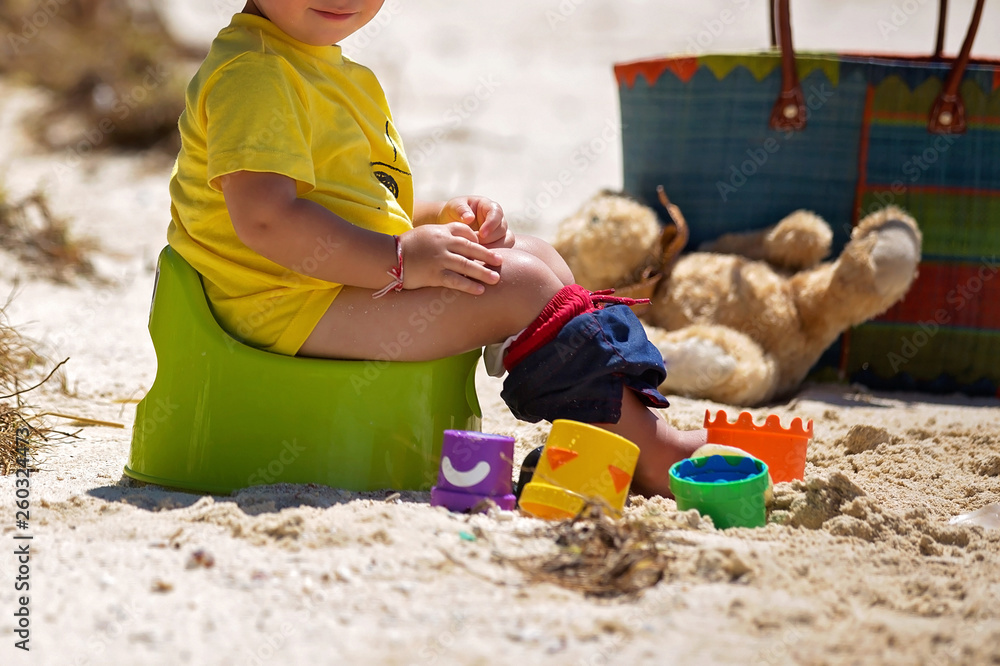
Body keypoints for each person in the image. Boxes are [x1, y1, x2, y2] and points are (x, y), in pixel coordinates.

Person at [167, 0, 706, 497]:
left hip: (322, 286)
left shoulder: (330, 69)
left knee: (537, 257)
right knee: (522, 284)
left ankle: (605, 433)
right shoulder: (256, 75)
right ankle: (648, 452)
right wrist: (400, 259)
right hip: (279, 304)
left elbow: (364, 201)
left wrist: (441, 221)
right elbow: (266, 220)